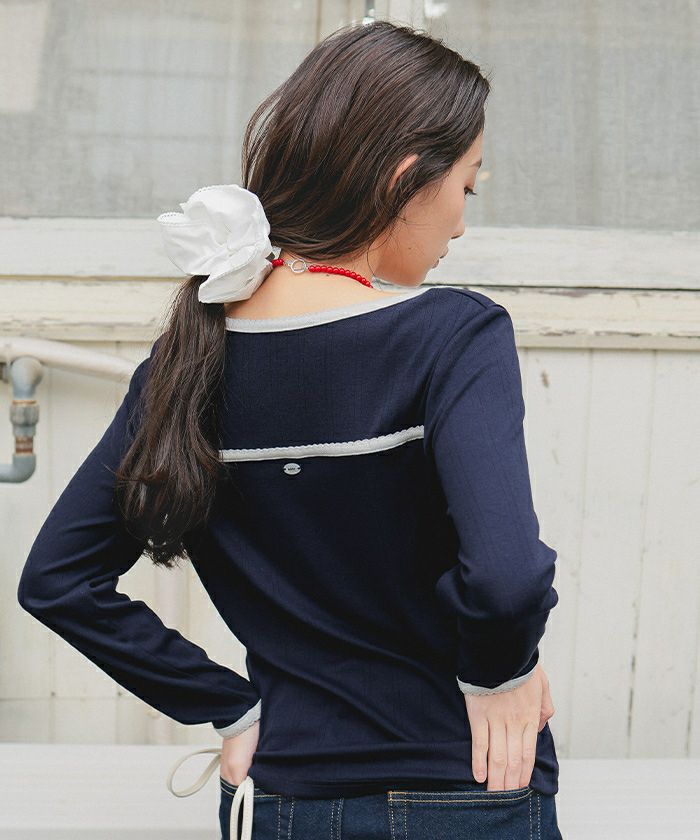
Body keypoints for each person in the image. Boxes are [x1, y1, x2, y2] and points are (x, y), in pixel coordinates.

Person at [16, 19, 563, 840]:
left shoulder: (184, 362)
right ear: (406, 178)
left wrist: (230, 708)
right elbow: (506, 579)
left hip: (283, 796)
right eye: (466, 188)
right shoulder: (453, 335)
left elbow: (58, 580)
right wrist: (499, 675)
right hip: (467, 783)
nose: (460, 225)